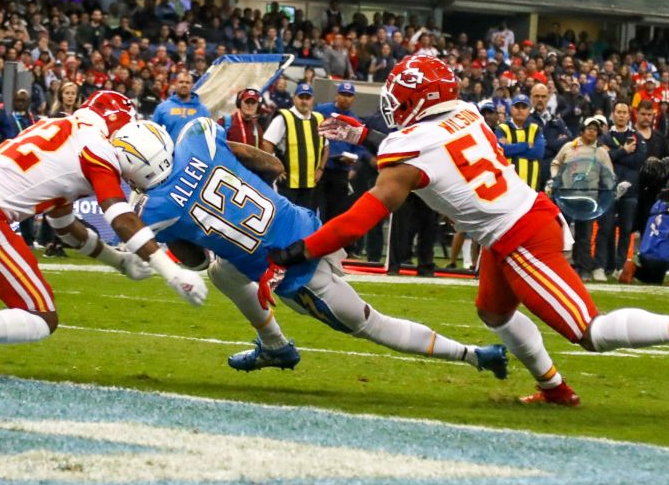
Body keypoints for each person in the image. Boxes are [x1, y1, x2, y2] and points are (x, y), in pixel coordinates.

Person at [263, 55, 669, 407]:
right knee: (492, 310)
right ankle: (554, 388)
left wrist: (302, 248)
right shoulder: (466, 112)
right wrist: (366, 137)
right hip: (514, 222)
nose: (394, 101)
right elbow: (438, 153)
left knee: (587, 331)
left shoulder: (408, 148)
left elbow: (361, 216)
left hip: (521, 238)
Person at [125, 116, 508, 377]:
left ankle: (472, 355)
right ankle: (274, 345)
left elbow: (191, 262)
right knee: (224, 270)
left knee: (371, 325)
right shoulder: (198, 138)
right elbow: (274, 166)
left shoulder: (157, 209)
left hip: (294, 274)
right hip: (311, 229)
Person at [0, 91, 207, 383]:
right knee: (41, 316)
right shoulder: (97, 145)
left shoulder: (61, 128)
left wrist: (119, 261)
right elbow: (119, 216)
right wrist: (171, 271)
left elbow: (63, 225)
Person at [549, 114, 615, 280]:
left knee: (584, 235)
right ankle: (558, 265)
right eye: (589, 128)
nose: (592, 132)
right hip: (566, 196)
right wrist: (555, 178)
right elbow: (555, 163)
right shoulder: (568, 147)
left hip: (588, 199)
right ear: (582, 130)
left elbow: (609, 175)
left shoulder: (601, 153)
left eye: (595, 129)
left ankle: (583, 268)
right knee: (560, 232)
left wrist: (610, 189)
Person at [263, 82, 327, 211]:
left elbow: (325, 146)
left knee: (305, 220)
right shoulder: (283, 118)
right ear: (294, 98)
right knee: (286, 219)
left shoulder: (319, 119)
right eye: (301, 97)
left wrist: (320, 168)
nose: (304, 101)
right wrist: (274, 168)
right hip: (288, 184)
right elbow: (267, 143)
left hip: (310, 183)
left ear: (312, 100)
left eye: (307, 98)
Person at [314, 81, 364, 224]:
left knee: (335, 212)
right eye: (343, 94)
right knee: (318, 209)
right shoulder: (322, 111)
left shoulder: (355, 121)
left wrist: (353, 164)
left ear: (353, 98)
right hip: (321, 169)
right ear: (336, 95)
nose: (345, 98)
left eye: (349, 95)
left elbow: (359, 148)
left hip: (341, 171)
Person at [601, 101, 641, 280]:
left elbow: (638, 161)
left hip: (630, 191)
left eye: (625, 112)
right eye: (618, 112)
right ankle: (607, 266)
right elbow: (604, 158)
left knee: (626, 230)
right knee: (607, 228)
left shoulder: (636, 136)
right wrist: (625, 151)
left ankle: (620, 266)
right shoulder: (604, 137)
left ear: (628, 115)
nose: (621, 115)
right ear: (613, 114)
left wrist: (616, 154)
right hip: (609, 189)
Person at [496, 93, 544, 189]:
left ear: (529, 111)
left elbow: (538, 153)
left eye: (524, 107)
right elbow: (502, 151)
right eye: (517, 106)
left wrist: (511, 149)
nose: (520, 110)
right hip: (508, 186)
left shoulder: (536, 129)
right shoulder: (501, 129)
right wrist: (526, 145)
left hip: (531, 186)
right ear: (511, 109)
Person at [151, 71, 210, 139]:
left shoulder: (203, 110)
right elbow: (153, 134)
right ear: (176, 84)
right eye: (181, 82)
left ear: (192, 85)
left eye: (187, 82)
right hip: (169, 149)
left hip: (193, 149)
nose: (184, 85)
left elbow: (207, 136)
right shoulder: (162, 108)